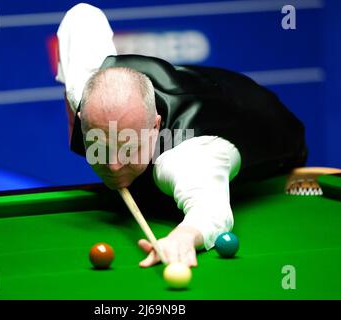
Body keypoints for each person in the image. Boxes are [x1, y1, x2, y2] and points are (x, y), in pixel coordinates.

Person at [55, 3, 307, 268]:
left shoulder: (187, 154)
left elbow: (209, 213)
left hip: (269, 130)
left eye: (128, 148)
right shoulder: (83, 87)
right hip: (191, 81)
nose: (113, 164)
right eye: (101, 146)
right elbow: (82, 16)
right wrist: (71, 110)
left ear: (155, 127)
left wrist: (183, 238)